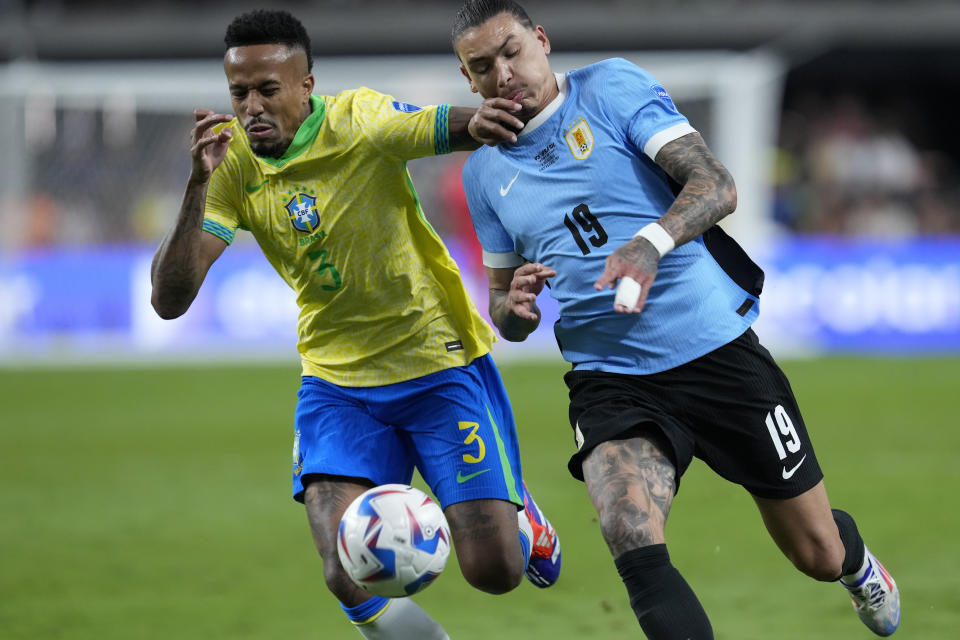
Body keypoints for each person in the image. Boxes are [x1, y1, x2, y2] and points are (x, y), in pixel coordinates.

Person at [452, 1, 900, 638]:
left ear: (542, 41)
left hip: (716, 351)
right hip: (609, 376)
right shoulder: (483, 172)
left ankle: (855, 565)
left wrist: (650, 244)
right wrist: (513, 306)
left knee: (816, 552)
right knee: (629, 534)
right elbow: (504, 310)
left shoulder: (610, 88)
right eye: (482, 67)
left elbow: (717, 184)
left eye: (511, 51)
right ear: (468, 81)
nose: (502, 74)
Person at [150, 9, 561, 640]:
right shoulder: (229, 165)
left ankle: (521, 515)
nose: (252, 107)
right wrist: (196, 185)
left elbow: (435, 125)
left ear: (306, 85)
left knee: (496, 571)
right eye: (239, 94)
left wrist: (478, 122)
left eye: (268, 90)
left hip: (438, 360)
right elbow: (169, 299)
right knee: (345, 567)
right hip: (337, 383)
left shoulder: (358, 120)